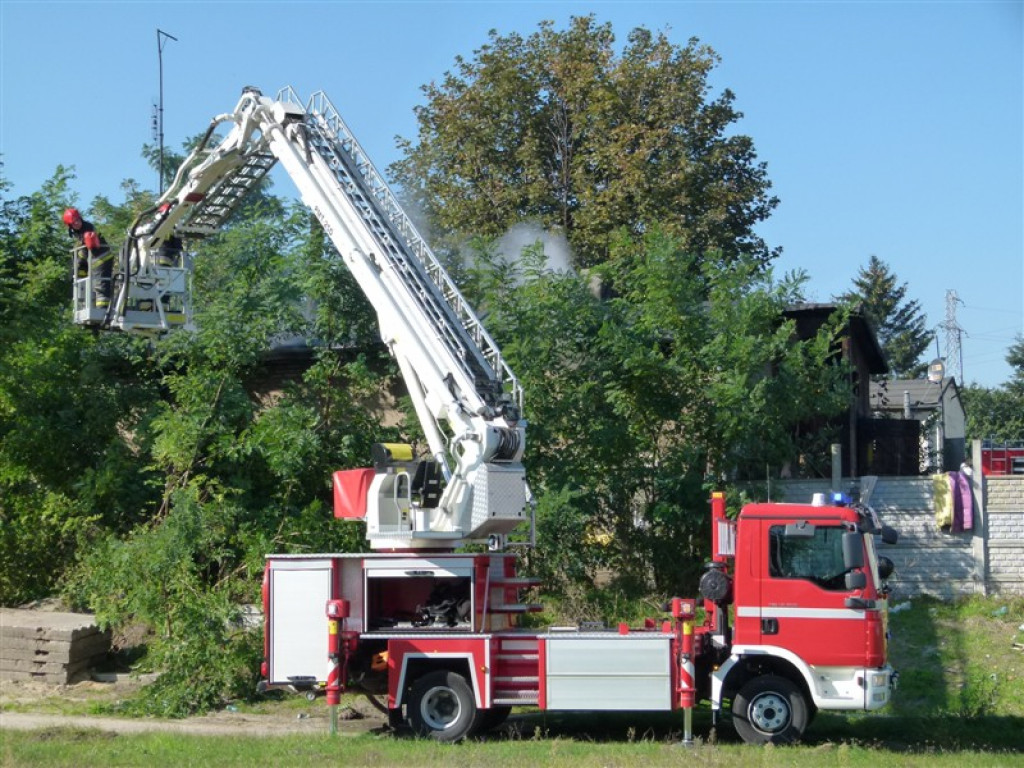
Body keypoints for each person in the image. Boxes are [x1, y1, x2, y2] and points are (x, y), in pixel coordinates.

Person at [63, 208, 112, 309]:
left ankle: (102, 311)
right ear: (70, 226)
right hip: (94, 260)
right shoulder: (79, 232)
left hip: (102, 259)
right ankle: (86, 301)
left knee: (101, 286)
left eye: (77, 220)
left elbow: (88, 247)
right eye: (74, 223)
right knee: (85, 277)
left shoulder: (88, 229)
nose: (77, 223)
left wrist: (79, 259)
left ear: (80, 218)